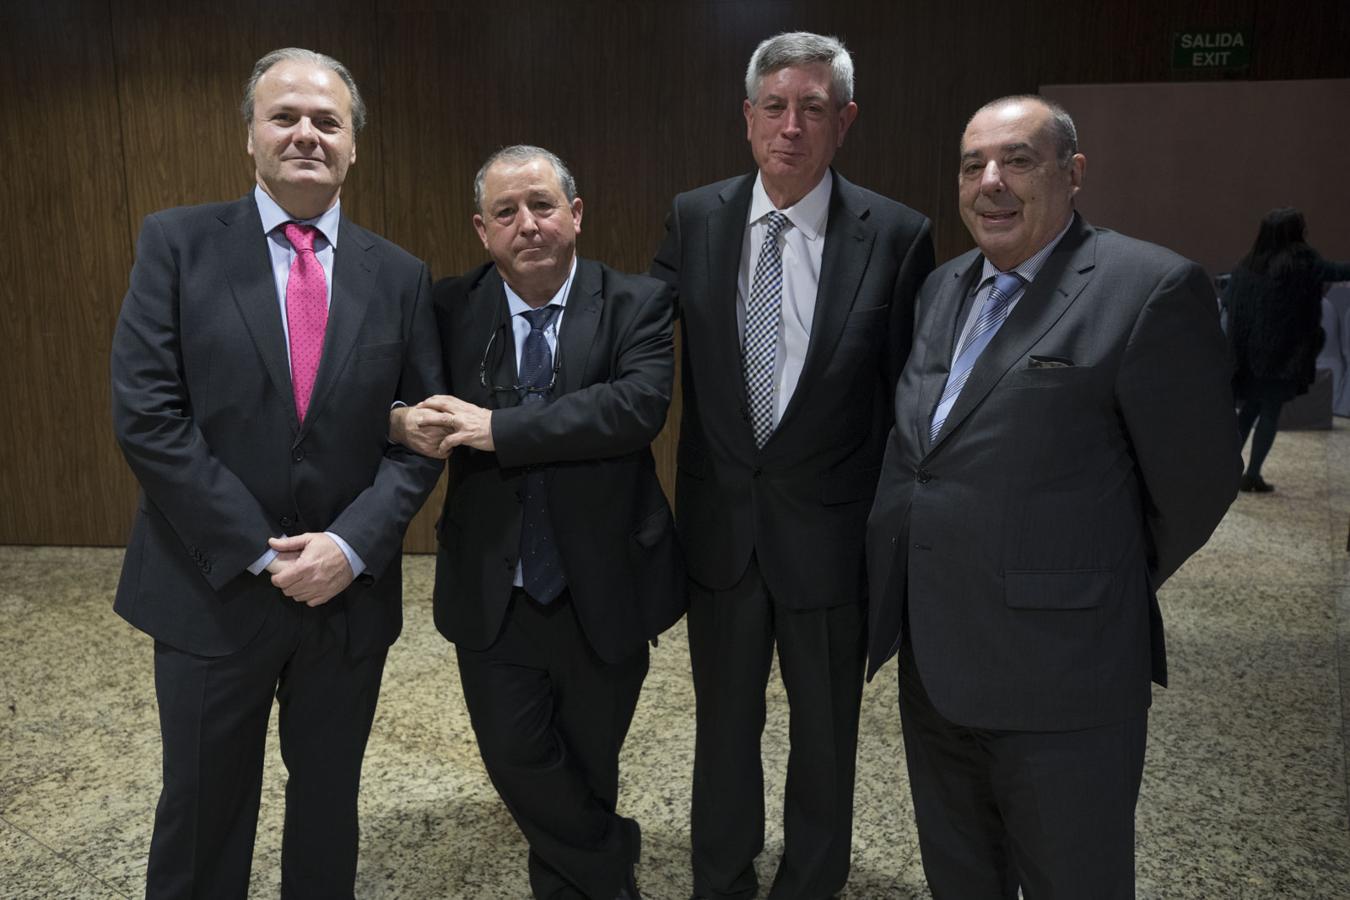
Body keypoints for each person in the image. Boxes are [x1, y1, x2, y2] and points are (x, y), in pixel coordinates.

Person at [865, 94, 1241, 898]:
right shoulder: (943, 288)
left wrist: (1080, 582)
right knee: (962, 878)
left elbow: (1197, 483)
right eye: (973, 165)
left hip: (1063, 682)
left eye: (1018, 160)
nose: (991, 182)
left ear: (1073, 174)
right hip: (937, 667)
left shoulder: (1147, 287)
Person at [109, 48, 444, 898]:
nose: (306, 133)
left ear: (353, 146)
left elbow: (420, 437)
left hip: (347, 598)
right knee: (202, 812)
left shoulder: (400, 276)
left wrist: (349, 545)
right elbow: (149, 416)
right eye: (285, 116)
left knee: (328, 808)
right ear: (250, 137)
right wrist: (264, 551)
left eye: (327, 121)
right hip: (209, 586)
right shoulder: (175, 243)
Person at [650, 31, 934, 900]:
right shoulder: (695, 217)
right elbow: (637, 348)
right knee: (722, 731)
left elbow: (907, 403)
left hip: (831, 540)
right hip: (723, 536)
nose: (791, 126)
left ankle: (812, 883)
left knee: (827, 737)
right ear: (747, 118)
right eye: (774, 107)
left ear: (844, 121)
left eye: (814, 109)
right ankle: (721, 879)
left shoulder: (897, 234)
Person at [391, 145, 684, 900]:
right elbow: (396, 392)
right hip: (496, 584)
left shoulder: (637, 303)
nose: (528, 224)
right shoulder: (450, 308)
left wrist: (501, 429)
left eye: (543, 205)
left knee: (589, 761)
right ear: (482, 230)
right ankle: (609, 859)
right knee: (518, 758)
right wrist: (399, 420)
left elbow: (633, 409)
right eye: (506, 212)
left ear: (575, 215)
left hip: (606, 581)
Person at [1224, 207, 1350, 492]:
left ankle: (1226, 471)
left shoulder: (1247, 264)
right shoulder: (1301, 262)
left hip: (1247, 353)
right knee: (1269, 410)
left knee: (1249, 410)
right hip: (1281, 356)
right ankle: (1252, 474)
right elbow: (1337, 271)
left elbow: (1230, 304)